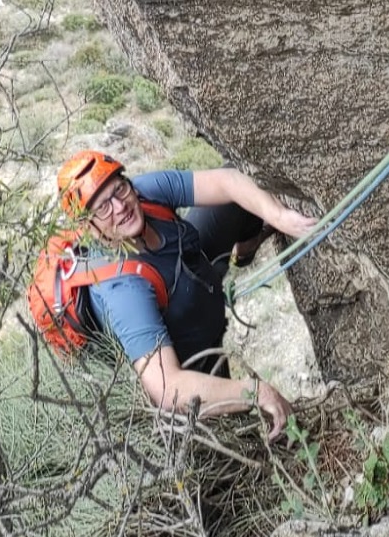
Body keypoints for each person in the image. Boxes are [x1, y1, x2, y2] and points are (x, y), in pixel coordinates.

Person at [56, 150, 314, 439]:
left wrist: (279, 217)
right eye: (103, 208)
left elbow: (227, 180)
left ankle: (246, 245)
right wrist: (256, 392)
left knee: (239, 185)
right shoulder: (123, 290)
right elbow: (167, 388)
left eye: (119, 189)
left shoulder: (144, 195)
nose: (120, 206)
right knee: (238, 429)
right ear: (88, 227)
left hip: (192, 271)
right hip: (189, 351)